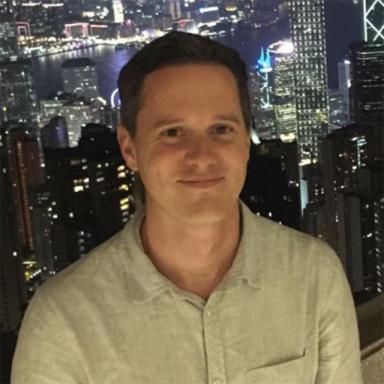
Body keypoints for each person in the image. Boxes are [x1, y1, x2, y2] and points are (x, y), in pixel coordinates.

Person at [11, 31, 362, 383]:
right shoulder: (62, 320)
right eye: (173, 133)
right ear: (129, 148)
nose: (201, 156)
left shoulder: (313, 276)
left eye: (221, 129)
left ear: (246, 140)